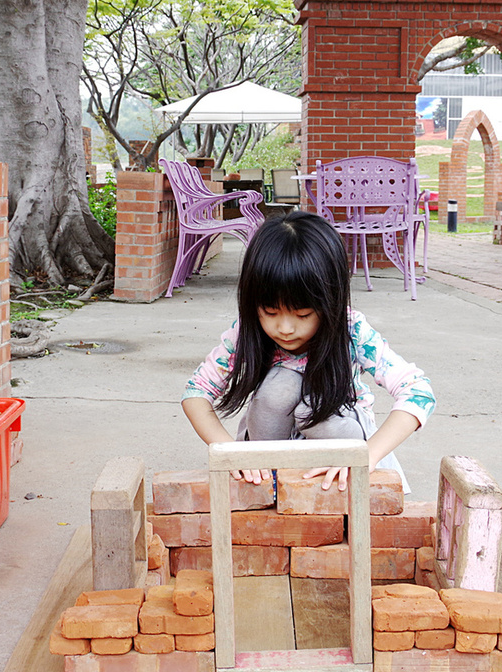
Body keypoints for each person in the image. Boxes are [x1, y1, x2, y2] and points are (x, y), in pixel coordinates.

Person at [181, 211, 435, 493]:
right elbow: (195, 394)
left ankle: (345, 491)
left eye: (302, 314)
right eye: (270, 311)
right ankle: (268, 491)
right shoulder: (246, 332)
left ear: (331, 302)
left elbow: (418, 392)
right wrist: (231, 453)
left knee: (312, 407)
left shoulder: (350, 331)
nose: (285, 328)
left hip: (340, 442)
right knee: (281, 386)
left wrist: (368, 454)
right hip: (269, 448)